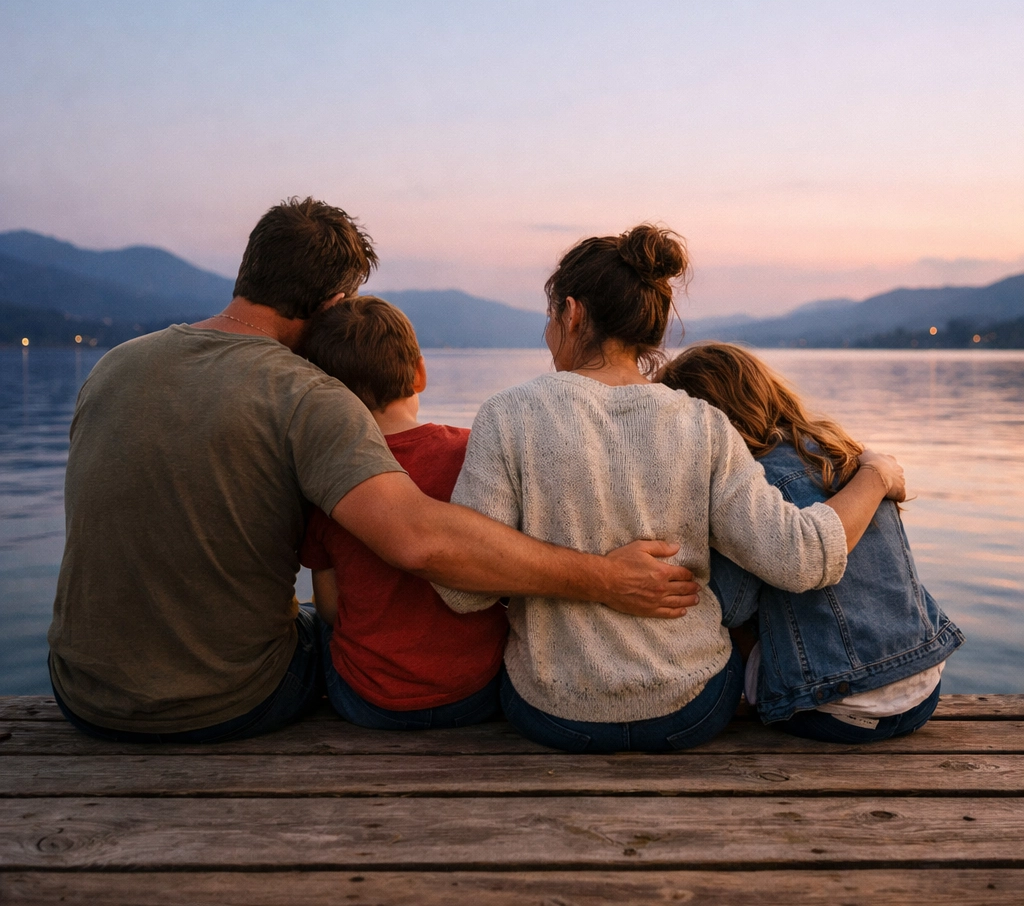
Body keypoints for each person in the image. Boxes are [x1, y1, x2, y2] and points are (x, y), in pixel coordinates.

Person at [47, 198, 698, 743]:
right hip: (228, 703)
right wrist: (607, 578)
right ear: (333, 303)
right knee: (327, 640)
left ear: (250, 268)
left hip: (83, 692)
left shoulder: (116, 364)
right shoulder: (304, 394)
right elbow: (420, 541)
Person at [433, 224, 906, 753]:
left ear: (571, 313)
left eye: (550, 318)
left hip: (554, 713)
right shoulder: (703, 424)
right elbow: (800, 559)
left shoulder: (507, 416)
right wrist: (877, 474)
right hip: (692, 709)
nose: (548, 334)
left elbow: (462, 590)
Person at [659, 342, 963, 743]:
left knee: (716, 623)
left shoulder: (748, 488)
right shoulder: (846, 456)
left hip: (835, 709)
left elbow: (731, 605)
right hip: (923, 692)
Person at [301, 296, 508, 729]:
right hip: (476, 693)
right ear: (419, 372)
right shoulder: (474, 451)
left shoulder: (326, 477)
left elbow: (332, 607)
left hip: (369, 702)